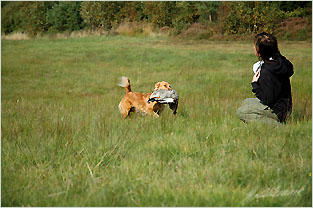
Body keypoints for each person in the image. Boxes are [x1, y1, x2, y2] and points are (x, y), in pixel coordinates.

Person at [237, 32, 294, 125]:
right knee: (246, 102)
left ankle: (277, 126)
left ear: (259, 51)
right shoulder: (281, 61)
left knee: (242, 112)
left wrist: (255, 84)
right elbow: (290, 70)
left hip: (277, 111)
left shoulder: (266, 71)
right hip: (285, 106)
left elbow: (267, 100)